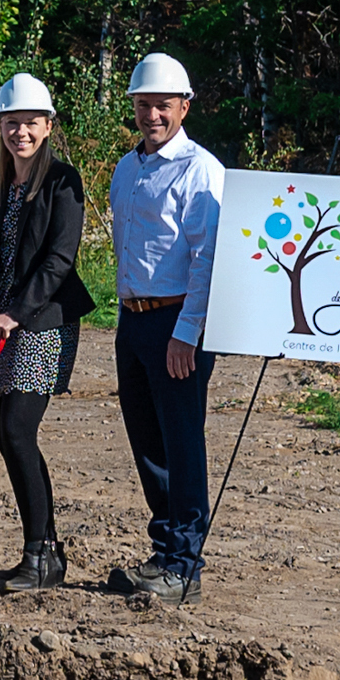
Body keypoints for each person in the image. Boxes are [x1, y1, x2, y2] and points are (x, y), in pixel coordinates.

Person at [106, 52, 227, 606]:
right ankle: (163, 550)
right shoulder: (126, 170)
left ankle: (185, 562)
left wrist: (188, 332)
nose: (152, 114)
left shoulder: (202, 170)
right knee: (147, 443)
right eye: (143, 104)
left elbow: (207, 258)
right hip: (132, 322)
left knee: (182, 444)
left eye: (163, 105)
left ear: (184, 105)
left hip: (177, 324)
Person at [0, 72, 95, 593]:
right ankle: (47, 550)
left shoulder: (64, 182)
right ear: (0, 125)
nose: (20, 131)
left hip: (43, 324)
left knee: (18, 429)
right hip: (1, 325)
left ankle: (40, 554)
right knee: (3, 430)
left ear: (47, 126)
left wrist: (15, 313)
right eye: (11, 122)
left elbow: (60, 260)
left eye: (30, 123)